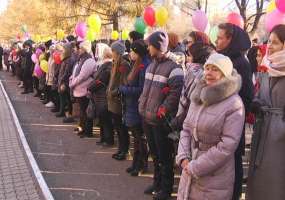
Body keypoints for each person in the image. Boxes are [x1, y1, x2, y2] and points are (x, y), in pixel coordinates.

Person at [176, 53, 245, 200]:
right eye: (207, 68)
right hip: (189, 168)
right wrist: (183, 157)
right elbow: (186, 129)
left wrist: (196, 167)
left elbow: (227, 145)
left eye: (215, 69)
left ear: (225, 74)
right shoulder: (198, 95)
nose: (209, 73)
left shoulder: (234, 104)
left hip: (215, 176)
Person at [139, 31, 184, 200]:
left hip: (159, 120)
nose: (148, 48)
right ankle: (156, 182)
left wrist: (163, 109)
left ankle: (166, 189)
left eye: (150, 45)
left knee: (165, 157)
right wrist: (141, 106)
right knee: (155, 154)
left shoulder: (174, 68)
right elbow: (146, 90)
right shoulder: (151, 64)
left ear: (158, 46)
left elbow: (175, 93)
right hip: (147, 116)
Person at [216, 23, 254, 200]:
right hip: (218, 121)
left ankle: (235, 195)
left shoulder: (240, 62)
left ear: (230, 39)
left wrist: (233, 118)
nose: (216, 40)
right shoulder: (222, 59)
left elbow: (247, 96)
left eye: (220, 37)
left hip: (233, 123)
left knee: (234, 161)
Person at [247, 24, 285, 200]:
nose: (269, 46)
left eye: (275, 43)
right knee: (259, 180)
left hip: (280, 137)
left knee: (277, 182)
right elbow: (258, 94)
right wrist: (255, 103)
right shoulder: (265, 68)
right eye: (269, 41)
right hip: (262, 131)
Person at [119, 39, 150, 176]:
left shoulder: (144, 66)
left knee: (139, 138)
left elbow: (142, 89)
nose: (130, 53)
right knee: (136, 137)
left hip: (138, 106)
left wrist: (125, 90)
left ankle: (141, 164)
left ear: (138, 52)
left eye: (132, 51)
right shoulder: (135, 64)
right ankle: (136, 163)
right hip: (132, 105)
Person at [171, 42, 214, 132]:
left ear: (197, 56)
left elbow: (187, 98)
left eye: (189, 55)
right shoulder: (199, 72)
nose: (187, 58)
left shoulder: (194, 72)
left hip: (187, 114)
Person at [107, 40, 131, 160]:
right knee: (117, 126)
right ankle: (120, 149)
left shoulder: (124, 64)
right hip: (112, 99)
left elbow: (123, 83)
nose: (112, 53)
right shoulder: (114, 63)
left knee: (122, 128)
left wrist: (114, 92)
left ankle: (124, 150)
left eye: (113, 51)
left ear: (118, 52)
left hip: (118, 100)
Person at [87, 46, 114, 146]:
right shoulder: (105, 65)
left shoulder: (108, 66)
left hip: (103, 96)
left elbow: (100, 81)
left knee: (105, 119)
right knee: (102, 119)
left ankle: (108, 139)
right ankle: (103, 138)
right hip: (99, 96)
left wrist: (90, 87)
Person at [69, 40, 96, 137]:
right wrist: (71, 79)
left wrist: (72, 83)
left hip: (84, 90)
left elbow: (82, 76)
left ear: (85, 49)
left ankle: (88, 131)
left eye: (80, 48)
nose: (78, 50)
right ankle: (82, 128)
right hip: (78, 89)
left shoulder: (89, 61)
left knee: (86, 112)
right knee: (82, 112)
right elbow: (75, 72)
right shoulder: (80, 59)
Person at [57, 42, 76, 118]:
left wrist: (62, 80)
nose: (63, 51)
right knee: (63, 97)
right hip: (63, 80)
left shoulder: (70, 59)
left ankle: (69, 114)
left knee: (68, 99)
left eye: (64, 49)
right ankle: (62, 111)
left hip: (66, 82)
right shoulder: (66, 58)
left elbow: (67, 72)